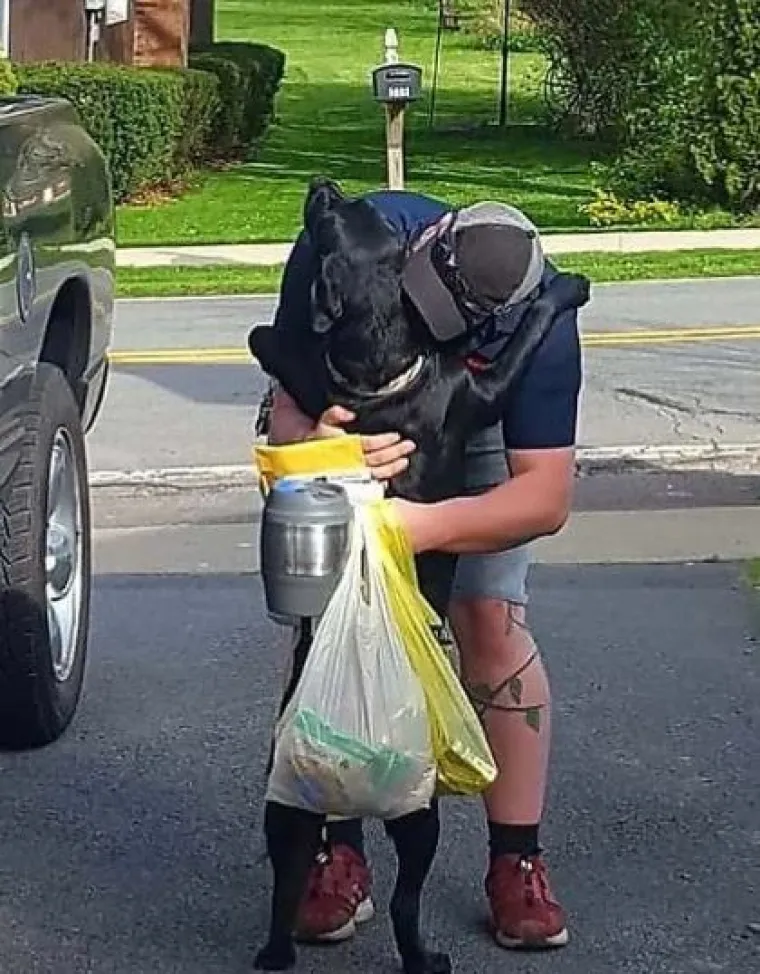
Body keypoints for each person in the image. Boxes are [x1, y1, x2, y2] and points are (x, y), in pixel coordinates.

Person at [254, 187, 583, 951]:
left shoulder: (537, 331)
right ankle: (336, 850)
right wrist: (313, 435)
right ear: (425, 239)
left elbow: (543, 496)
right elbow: (285, 388)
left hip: (473, 416)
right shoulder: (347, 240)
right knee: (330, 624)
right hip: (353, 411)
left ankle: (516, 859)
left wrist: (418, 528)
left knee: (487, 616)